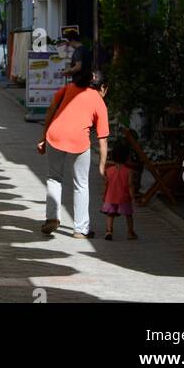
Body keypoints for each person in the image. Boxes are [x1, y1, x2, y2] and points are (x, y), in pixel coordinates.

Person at [37, 69, 109, 239]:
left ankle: (52, 217)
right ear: (103, 87)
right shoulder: (99, 101)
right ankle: (80, 229)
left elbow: (51, 111)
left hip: (55, 134)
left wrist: (43, 138)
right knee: (81, 184)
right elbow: (103, 139)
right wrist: (102, 166)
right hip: (79, 140)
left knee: (54, 178)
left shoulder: (68, 88)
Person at [102, 137, 137, 240]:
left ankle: (109, 231)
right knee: (128, 214)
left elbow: (105, 184)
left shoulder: (109, 170)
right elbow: (130, 185)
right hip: (124, 197)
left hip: (110, 196)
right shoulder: (129, 171)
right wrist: (133, 196)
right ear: (127, 157)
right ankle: (130, 232)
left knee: (110, 214)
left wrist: (104, 195)